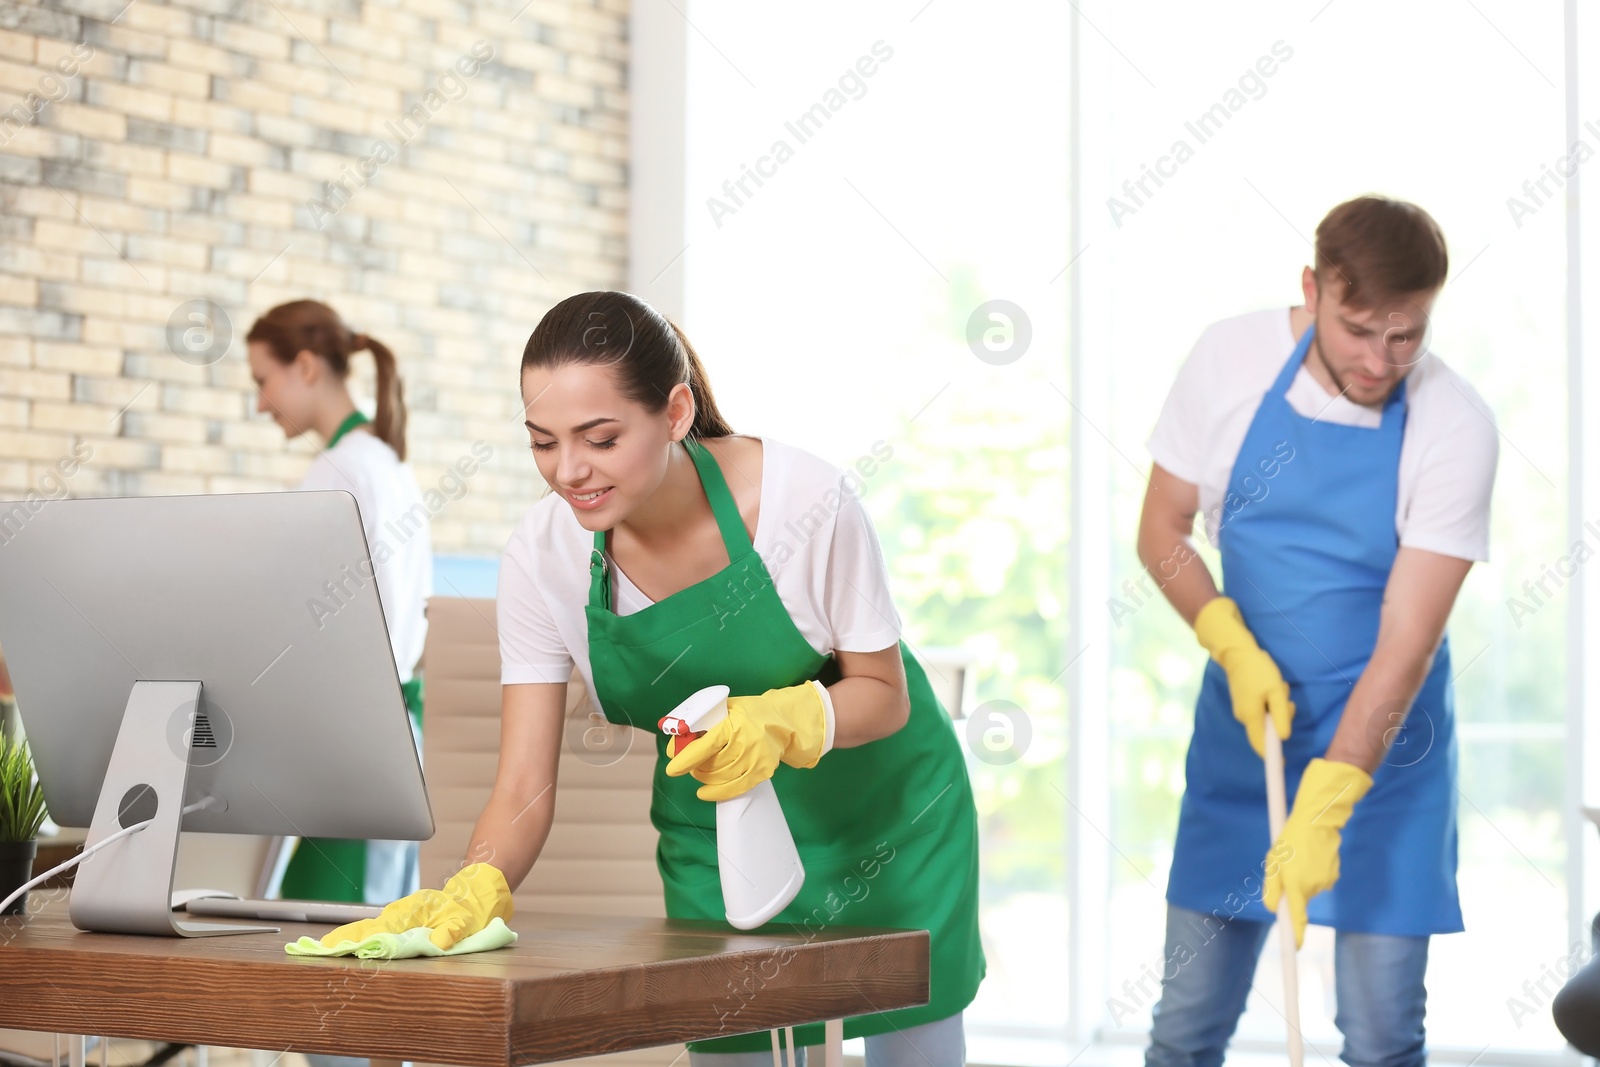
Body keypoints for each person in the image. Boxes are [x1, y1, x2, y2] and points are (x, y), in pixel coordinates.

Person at [327, 290, 985, 1065]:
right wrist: (476, 883)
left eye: (599, 439)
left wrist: (785, 720)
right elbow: (523, 785)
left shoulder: (801, 502)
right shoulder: (545, 557)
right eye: (542, 442)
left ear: (675, 412)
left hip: (886, 822)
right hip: (722, 839)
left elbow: (886, 693)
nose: (569, 471)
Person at [1135, 196, 1498, 1067]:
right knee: (1185, 1030)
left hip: (1381, 768)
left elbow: (1407, 642)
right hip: (1246, 737)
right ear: (1312, 288)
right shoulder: (1229, 360)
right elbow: (1162, 528)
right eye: (1359, 329)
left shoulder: (1456, 426)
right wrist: (1225, 634)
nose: (1380, 360)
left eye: (1405, 336)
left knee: (1379, 1037)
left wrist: (1329, 804)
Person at [245, 299, 433, 911]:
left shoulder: (338, 470)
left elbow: (305, 620)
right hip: (397, 727)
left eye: (262, 380)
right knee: (375, 913)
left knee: (329, 932)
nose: (259, 401)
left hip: (355, 732)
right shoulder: (386, 463)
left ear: (304, 366)